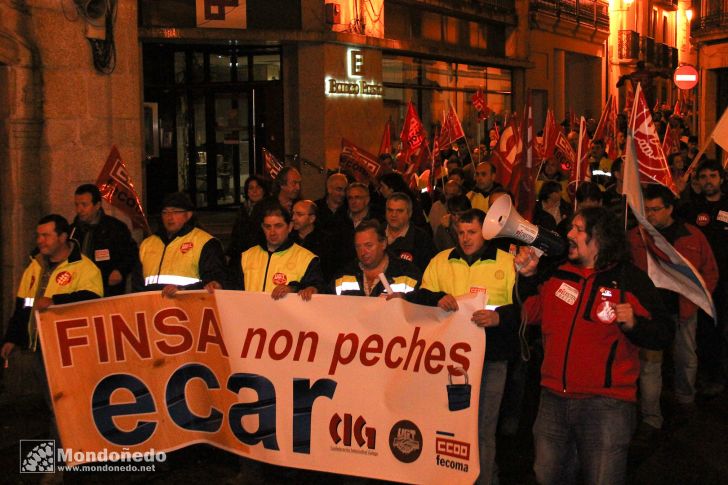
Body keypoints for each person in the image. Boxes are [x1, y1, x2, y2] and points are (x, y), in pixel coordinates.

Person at [515, 206, 674, 484]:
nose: (568, 234)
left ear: (598, 236)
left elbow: (663, 333)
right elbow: (529, 313)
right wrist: (528, 278)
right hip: (553, 398)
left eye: (577, 229)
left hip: (606, 406)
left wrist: (634, 324)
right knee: (546, 475)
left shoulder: (629, 280)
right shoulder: (558, 273)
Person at [412, 209, 520, 485]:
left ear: (484, 232)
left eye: (472, 232)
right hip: (449, 359)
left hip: (491, 358)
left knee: (483, 428)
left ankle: (484, 479)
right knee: (449, 425)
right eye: (461, 232)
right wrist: (438, 297)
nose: (465, 238)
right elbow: (420, 295)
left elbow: (523, 309)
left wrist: (498, 318)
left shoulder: (507, 262)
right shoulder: (442, 260)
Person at [1, 214, 103, 477]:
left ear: (63, 236)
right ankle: (67, 462)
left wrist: (57, 300)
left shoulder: (85, 268)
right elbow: (22, 307)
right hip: (39, 348)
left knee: (61, 406)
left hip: (67, 351)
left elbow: (92, 304)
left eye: (45, 235)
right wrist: (12, 338)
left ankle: (59, 467)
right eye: (39, 235)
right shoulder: (34, 267)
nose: (40, 241)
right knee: (55, 406)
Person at [628, 184, 718, 442]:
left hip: (683, 311)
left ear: (670, 209)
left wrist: (698, 298)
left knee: (686, 358)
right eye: (647, 209)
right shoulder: (635, 236)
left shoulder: (691, 236)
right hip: (649, 315)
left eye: (656, 209)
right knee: (649, 367)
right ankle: (651, 417)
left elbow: (710, 271)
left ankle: (685, 401)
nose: (651, 214)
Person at [682, 159, 728, 396]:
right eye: (704, 176)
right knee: (702, 331)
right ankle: (705, 374)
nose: (708, 180)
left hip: (725, 282)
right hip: (699, 282)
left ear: (721, 179)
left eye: (713, 175)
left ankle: (719, 373)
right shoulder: (691, 209)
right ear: (698, 181)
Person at [136, 192, 227, 296]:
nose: (169, 217)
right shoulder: (147, 244)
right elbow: (137, 284)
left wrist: (182, 289)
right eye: (165, 212)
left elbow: (213, 282)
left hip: (189, 307)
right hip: (152, 308)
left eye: (175, 212)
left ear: (188, 215)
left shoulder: (205, 242)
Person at [236, 204, 325, 300]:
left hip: (286, 314)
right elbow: (232, 291)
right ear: (262, 227)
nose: (272, 232)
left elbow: (317, 288)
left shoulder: (306, 258)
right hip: (249, 313)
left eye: (278, 226)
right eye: (267, 227)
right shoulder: (247, 256)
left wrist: (293, 288)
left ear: (290, 227)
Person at [69, 183, 139, 296]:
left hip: (107, 290)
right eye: (76, 205)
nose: (79, 210)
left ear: (97, 205)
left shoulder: (115, 228)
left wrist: (120, 271)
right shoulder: (71, 232)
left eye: (84, 205)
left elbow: (131, 253)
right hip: (78, 290)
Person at [332, 220, 421, 298]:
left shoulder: (407, 273)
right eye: (358, 247)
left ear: (383, 244)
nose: (363, 252)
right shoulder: (344, 275)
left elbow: (421, 307)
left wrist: (404, 302)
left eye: (368, 245)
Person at [384, 192, 437, 272]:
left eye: (399, 211)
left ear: (409, 213)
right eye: (390, 210)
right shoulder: (375, 234)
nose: (393, 215)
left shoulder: (422, 239)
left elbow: (430, 272)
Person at [227, 175, 269, 259]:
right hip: (243, 255)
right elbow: (236, 234)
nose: (254, 191)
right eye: (251, 188)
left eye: (258, 187)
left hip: (261, 255)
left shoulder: (269, 209)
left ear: (263, 190)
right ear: (247, 192)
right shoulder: (243, 209)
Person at [291, 200, 334, 281]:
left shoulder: (325, 240)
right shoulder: (288, 238)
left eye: (299, 214)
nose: (293, 218)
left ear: (312, 218)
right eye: (293, 213)